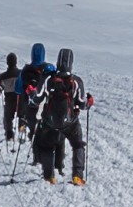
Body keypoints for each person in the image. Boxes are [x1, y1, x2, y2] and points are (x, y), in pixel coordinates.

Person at [29, 48, 93, 185]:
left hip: (50, 122)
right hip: (70, 122)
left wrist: (32, 97)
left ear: (58, 61)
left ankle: (49, 176)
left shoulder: (48, 79)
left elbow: (37, 99)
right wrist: (89, 102)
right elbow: (82, 105)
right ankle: (77, 176)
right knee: (78, 145)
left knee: (47, 146)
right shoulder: (76, 81)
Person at [0, 52, 21, 142]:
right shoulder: (20, 73)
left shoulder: (3, 76)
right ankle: (22, 131)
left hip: (9, 98)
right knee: (22, 116)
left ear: (7, 62)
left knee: (8, 118)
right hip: (20, 98)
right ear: (16, 62)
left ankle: (9, 134)